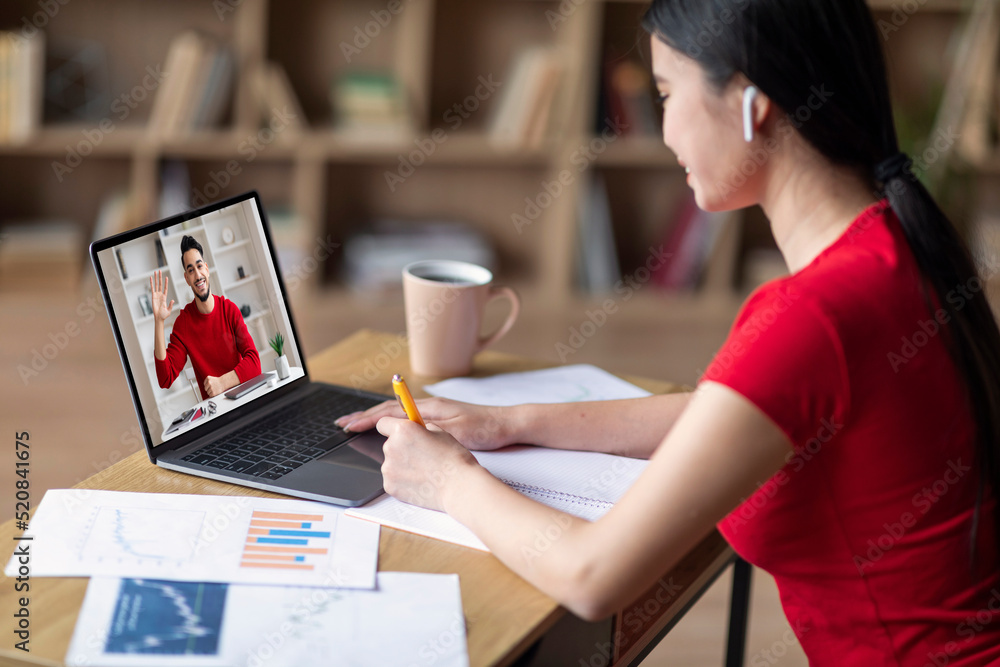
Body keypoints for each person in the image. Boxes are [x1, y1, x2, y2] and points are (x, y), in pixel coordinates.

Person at [335, 0, 1000, 663]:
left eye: (666, 93)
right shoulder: (892, 245)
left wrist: (447, 480)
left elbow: (592, 576)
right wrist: (511, 421)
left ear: (751, 100)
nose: (664, 129)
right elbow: (735, 410)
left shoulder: (812, 314)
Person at [151, 235, 261, 400]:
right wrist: (159, 322)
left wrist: (221, 383)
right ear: (187, 279)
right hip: (215, 413)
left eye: (199, 266)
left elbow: (254, 363)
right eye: (190, 270)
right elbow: (165, 378)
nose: (197, 274)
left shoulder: (229, 309)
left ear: (207, 270)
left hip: (243, 399)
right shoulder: (184, 324)